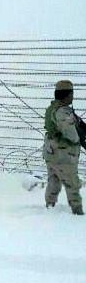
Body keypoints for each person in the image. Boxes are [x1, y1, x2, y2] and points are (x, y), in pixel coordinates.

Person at [43, 80, 83, 215]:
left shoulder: (53, 108)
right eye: (71, 94)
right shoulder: (63, 112)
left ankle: (50, 207)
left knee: (53, 180)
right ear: (66, 95)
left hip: (51, 151)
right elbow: (71, 134)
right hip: (63, 154)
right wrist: (79, 140)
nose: (73, 97)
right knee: (72, 182)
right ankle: (77, 212)